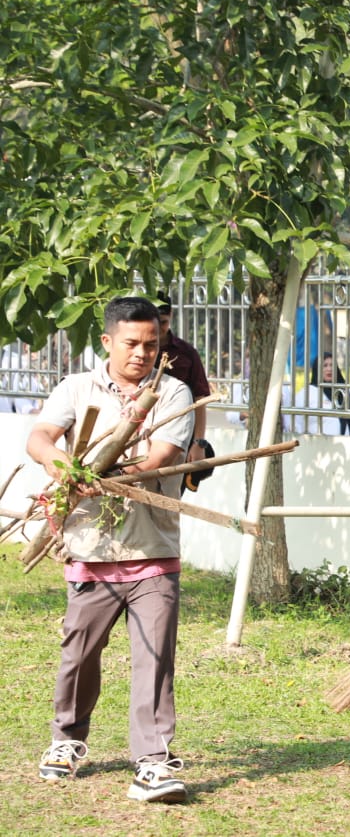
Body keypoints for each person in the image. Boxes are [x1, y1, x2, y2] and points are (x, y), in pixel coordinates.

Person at [27, 296, 193, 803]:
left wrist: (105, 472)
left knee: (153, 659)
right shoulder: (78, 388)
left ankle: (153, 761)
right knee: (79, 653)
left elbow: (159, 458)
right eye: (132, 344)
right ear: (107, 341)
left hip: (153, 550)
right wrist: (67, 469)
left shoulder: (174, 392)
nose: (142, 353)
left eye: (151, 344)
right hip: (90, 547)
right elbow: (39, 438)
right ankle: (67, 739)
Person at [155, 294, 212, 461]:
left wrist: (199, 442)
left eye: (163, 322)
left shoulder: (186, 353)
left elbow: (199, 399)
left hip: (179, 438)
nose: (158, 328)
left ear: (171, 316)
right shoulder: (136, 354)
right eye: (155, 322)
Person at [300, 352, 350, 437]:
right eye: (325, 365)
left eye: (332, 365)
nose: (329, 369)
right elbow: (297, 423)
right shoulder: (308, 393)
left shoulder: (348, 392)